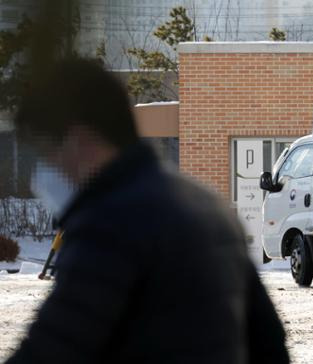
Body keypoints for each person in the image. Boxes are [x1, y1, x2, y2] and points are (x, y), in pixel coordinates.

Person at [6, 59, 289, 363]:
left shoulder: (111, 223)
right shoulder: (210, 205)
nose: (44, 169)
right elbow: (268, 345)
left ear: (79, 139)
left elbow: (51, 349)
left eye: (46, 153)